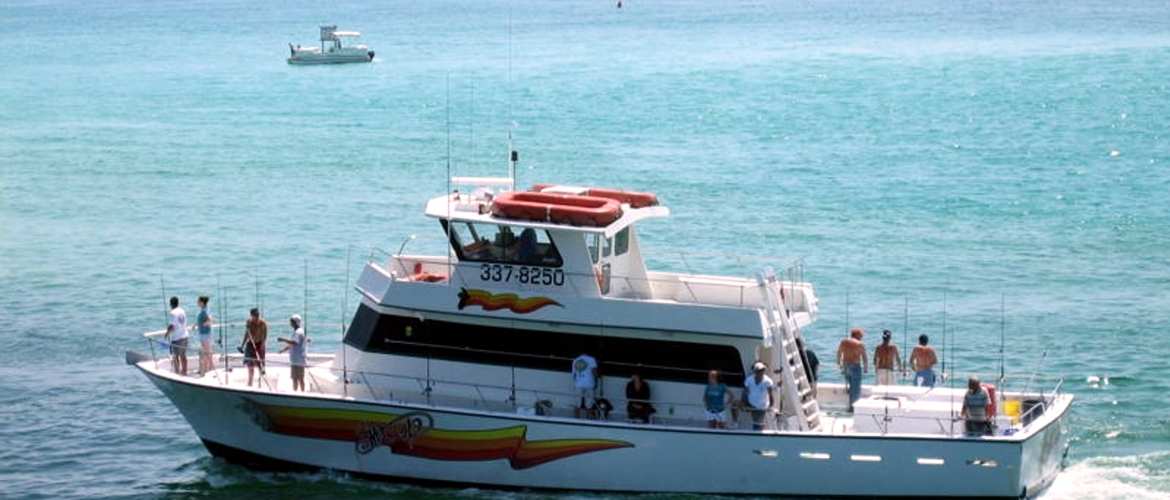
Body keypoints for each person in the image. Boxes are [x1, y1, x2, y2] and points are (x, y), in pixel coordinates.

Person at [836, 328, 868, 412]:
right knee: (856, 388)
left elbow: (839, 353)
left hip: (845, 366)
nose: (861, 337)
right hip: (855, 366)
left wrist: (839, 363)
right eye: (861, 335)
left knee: (851, 387)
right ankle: (853, 408)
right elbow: (864, 357)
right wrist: (865, 368)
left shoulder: (843, 342)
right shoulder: (860, 344)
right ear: (857, 335)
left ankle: (850, 405)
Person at [278, 314, 308, 392]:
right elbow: (292, 344)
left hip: (299, 359)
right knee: (294, 378)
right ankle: (295, 391)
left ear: (296, 322)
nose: (290, 323)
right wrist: (283, 350)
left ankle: (302, 392)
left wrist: (283, 339)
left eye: (292, 322)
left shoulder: (298, 332)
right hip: (295, 359)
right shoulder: (296, 332)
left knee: (300, 378)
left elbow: (294, 342)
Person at [743, 362, 775, 430]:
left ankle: (758, 434)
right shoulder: (749, 379)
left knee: (758, 422)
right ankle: (735, 424)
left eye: (762, 370)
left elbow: (770, 394)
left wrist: (771, 406)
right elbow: (745, 392)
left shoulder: (768, 381)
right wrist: (745, 403)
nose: (761, 372)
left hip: (762, 406)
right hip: (751, 404)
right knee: (735, 405)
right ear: (755, 371)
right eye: (759, 370)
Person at [241, 308, 268, 387]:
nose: (256, 318)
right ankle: (250, 383)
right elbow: (247, 334)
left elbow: (264, 336)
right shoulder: (249, 322)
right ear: (251, 316)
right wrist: (242, 345)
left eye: (257, 315)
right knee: (250, 365)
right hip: (250, 344)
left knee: (260, 365)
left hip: (259, 344)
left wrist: (262, 346)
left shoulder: (263, 323)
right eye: (254, 316)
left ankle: (260, 384)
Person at [166, 296, 189, 376]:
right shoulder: (182, 311)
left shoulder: (172, 313)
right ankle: (184, 372)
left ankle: (177, 373)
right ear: (178, 303)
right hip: (185, 336)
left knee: (175, 357)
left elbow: (172, 326)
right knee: (183, 355)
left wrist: (167, 333)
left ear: (171, 304)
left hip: (177, 338)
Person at [571, 352, 599, 418]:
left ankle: (576, 418)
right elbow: (594, 371)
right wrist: (596, 382)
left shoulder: (575, 360)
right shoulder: (591, 359)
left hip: (578, 384)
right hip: (589, 384)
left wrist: (577, 382)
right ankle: (588, 418)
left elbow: (574, 374)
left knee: (577, 403)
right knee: (589, 404)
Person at [196, 296, 214, 375]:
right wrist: (196, 324)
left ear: (202, 303)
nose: (197, 303)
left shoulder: (205, 311)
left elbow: (210, 320)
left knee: (207, 351)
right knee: (207, 351)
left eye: (198, 301)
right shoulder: (203, 310)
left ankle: (210, 368)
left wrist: (204, 324)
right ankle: (208, 367)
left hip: (205, 334)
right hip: (204, 333)